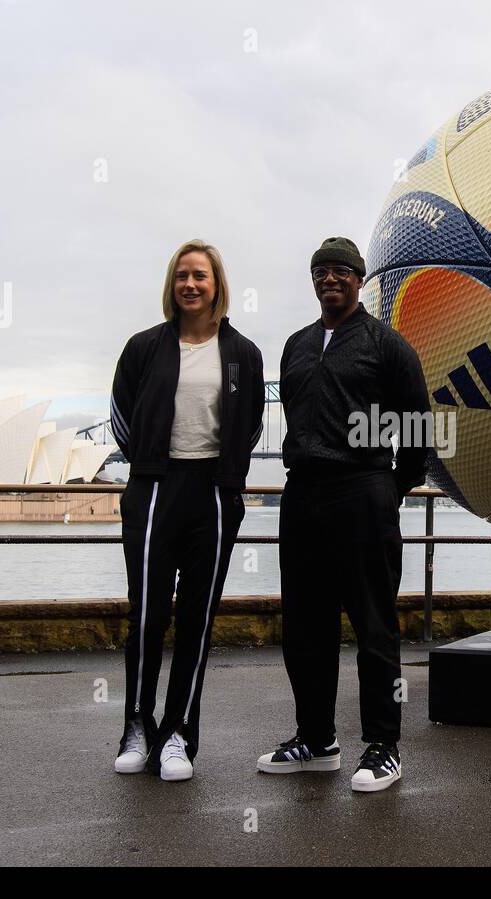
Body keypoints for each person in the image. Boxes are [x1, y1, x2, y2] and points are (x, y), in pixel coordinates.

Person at [257, 237, 430, 793]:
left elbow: (419, 427)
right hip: (303, 494)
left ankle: (383, 745)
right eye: (321, 271)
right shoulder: (296, 345)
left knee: (374, 626)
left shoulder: (388, 345)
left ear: (359, 280)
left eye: (340, 271)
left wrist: (390, 486)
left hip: (364, 493)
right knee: (305, 626)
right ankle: (316, 739)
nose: (329, 279)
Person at [109, 239, 264, 781]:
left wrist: (227, 478)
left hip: (215, 493)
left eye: (200, 275)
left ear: (217, 285)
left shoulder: (243, 353)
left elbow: (251, 424)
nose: (191, 284)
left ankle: (177, 735)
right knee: (147, 614)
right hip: (154, 488)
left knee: (198, 620)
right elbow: (120, 419)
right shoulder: (143, 348)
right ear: (171, 285)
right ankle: (136, 725)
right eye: (182, 276)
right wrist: (151, 464)